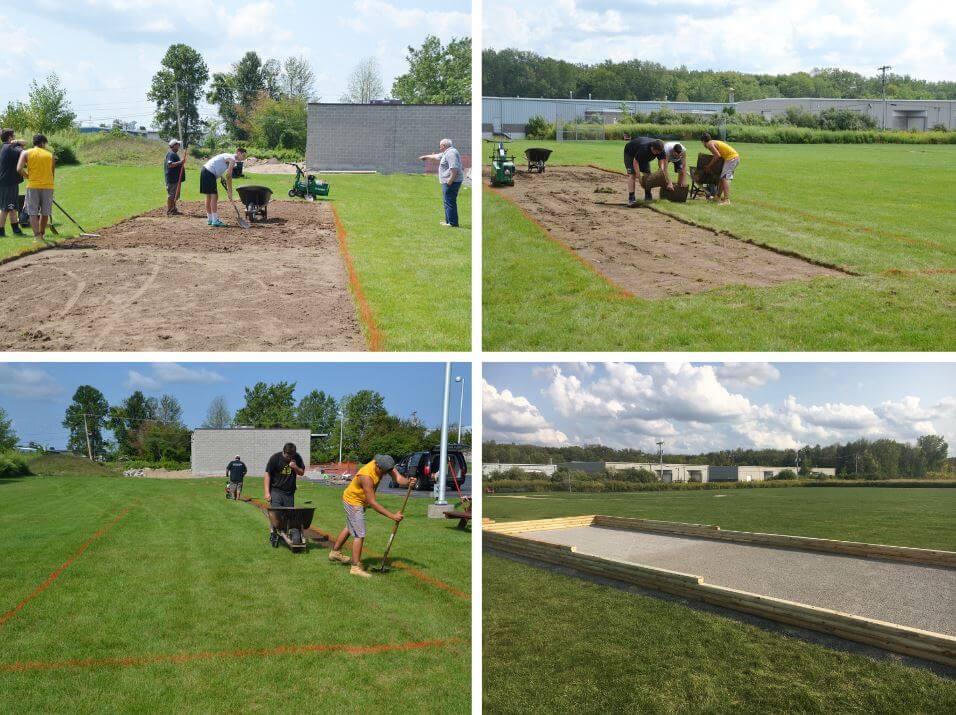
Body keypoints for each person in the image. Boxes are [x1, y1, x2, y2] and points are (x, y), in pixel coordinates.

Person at [328, 454, 417, 578]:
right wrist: (393, 516)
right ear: (377, 466)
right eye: (384, 472)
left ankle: (335, 552)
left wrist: (408, 482)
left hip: (360, 500)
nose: (386, 474)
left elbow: (398, 478)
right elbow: (373, 503)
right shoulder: (366, 476)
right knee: (360, 533)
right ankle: (355, 567)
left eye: (388, 472)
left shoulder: (386, 464)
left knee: (350, 527)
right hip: (353, 501)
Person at [16, 134, 55, 242]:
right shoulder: (50, 155)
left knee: (32, 212)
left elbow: (19, 168)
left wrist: (28, 176)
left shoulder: (26, 153)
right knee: (45, 212)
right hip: (48, 186)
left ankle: (37, 236)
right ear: (42, 143)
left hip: (33, 186)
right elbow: (52, 173)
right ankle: (42, 233)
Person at [419, 138, 463, 228]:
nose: (439, 148)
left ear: (443, 146)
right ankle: (449, 222)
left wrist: (449, 181)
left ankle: (453, 223)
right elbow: (436, 156)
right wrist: (426, 157)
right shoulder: (447, 152)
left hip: (451, 182)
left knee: (450, 201)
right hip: (449, 181)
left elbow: (454, 168)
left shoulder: (451, 153)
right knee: (447, 201)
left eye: (440, 146)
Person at [199, 147, 246, 227]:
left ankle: (210, 219)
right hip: (210, 173)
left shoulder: (228, 156)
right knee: (214, 196)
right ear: (238, 152)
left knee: (209, 196)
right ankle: (215, 220)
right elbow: (229, 176)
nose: (243, 158)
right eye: (243, 156)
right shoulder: (232, 159)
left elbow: (218, 165)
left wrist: (220, 176)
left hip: (205, 171)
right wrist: (230, 191)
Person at [623, 137, 665, 206]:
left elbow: (661, 161)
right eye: (656, 152)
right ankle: (631, 198)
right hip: (630, 153)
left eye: (659, 152)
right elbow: (635, 162)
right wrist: (639, 177)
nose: (657, 154)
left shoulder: (661, 149)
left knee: (648, 174)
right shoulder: (644, 149)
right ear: (652, 148)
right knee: (632, 175)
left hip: (644, 156)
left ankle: (648, 195)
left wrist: (661, 170)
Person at [701, 132, 740, 205]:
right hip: (732, 158)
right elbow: (720, 155)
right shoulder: (713, 142)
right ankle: (717, 197)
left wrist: (709, 166)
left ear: (703, 141)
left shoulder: (709, 144)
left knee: (725, 178)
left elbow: (717, 156)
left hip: (732, 158)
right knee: (722, 178)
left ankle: (726, 200)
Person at [0, 129, 26, 238]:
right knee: (6, 208)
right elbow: (24, 152)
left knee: (12, 207)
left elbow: (24, 143)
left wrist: (17, 142)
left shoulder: (7, 146)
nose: (15, 137)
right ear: (10, 137)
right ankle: (1, 231)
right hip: (8, 182)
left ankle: (16, 230)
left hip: (9, 182)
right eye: (14, 136)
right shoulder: (9, 147)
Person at [263, 442, 304, 508]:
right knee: (277, 513)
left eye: (291, 456)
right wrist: (266, 492)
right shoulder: (275, 458)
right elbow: (267, 474)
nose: (289, 458)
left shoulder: (297, 457)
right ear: (284, 452)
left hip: (289, 493)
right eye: (287, 457)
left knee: (288, 515)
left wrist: (295, 467)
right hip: (276, 491)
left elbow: (301, 473)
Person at [164, 139, 186, 216]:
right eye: (178, 145)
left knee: (175, 195)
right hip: (172, 179)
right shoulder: (171, 154)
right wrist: (181, 162)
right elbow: (170, 164)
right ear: (174, 145)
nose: (179, 146)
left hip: (175, 179)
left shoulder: (173, 154)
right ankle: (170, 210)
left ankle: (173, 209)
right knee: (172, 195)